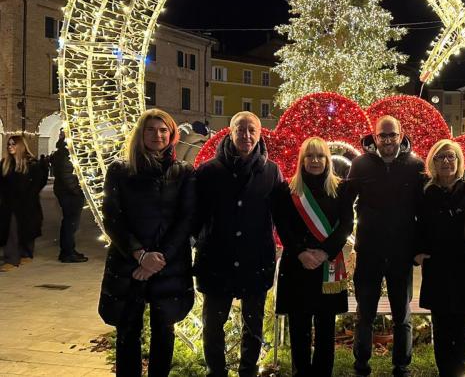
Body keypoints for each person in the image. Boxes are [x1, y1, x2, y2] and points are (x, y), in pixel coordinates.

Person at [98, 109, 196, 377]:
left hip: (169, 264)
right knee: (128, 329)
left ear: (172, 134)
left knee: (164, 330)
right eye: (151, 129)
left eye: (163, 129)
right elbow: (113, 217)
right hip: (129, 261)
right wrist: (140, 254)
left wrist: (158, 257)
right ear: (141, 134)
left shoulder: (183, 172)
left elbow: (186, 219)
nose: (157, 135)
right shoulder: (120, 170)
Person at [193, 111, 284, 377]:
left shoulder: (271, 170)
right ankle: (216, 372)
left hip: (255, 260)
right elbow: (195, 213)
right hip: (217, 260)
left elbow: (280, 214)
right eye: (240, 130)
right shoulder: (209, 170)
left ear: (259, 133)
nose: (246, 135)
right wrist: (200, 240)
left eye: (251, 130)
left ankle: (248, 372)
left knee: (253, 325)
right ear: (230, 133)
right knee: (213, 324)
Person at [347, 116, 425, 377]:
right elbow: (346, 203)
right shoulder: (360, 164)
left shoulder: (415, 165)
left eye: (393, 135)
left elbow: (424, 211)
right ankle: (361, 365)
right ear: (375, 136)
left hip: (401, 254)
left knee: (402, 314)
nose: (388, 140)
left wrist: (419, 247)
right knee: (365, 313)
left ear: (401, 135)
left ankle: (401, 366)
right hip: (369, 251)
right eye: (383, 135)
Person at [272, 137, 353, 377]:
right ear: (302, 160)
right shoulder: (286, 190)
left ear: (327, 159)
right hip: (298, 265)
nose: (315, 161)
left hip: (327, 264)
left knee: (326, 327)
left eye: (320, 156)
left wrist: (323, 251)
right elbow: (283, 226)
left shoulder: (341, 188)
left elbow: (346, 226)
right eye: (310, 156)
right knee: (299, 327)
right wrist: (301, 252)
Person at [414, 139, 465, 377]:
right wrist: (417, 253)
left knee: (464, 329)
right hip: (437, 266)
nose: (446, 161)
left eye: (451, 157)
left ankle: (460, 373)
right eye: (441, 157)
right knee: (441, 329)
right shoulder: (425, 192)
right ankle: (445, 373)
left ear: (459, 161)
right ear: (433, 162)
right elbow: (415, 226)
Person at [0, 134, 48, 271]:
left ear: (20, 146)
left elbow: (39, 181)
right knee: (11, 230)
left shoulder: (31, 164)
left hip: (27, 203)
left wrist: (30, 195)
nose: (10, 147)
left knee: (26, 229)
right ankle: (11, 258)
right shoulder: (6, 164)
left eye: (13, 144)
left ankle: (24, 254)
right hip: (9, 204)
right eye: (8, 144)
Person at [50, 128, 88, 263]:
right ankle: (67, 253)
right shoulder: (67, 152)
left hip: (65, 192)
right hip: (69, 194)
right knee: (70, 223)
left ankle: (69, 250)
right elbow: (67, 175)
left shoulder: (63, 150)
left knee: (69, 222)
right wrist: (77, 190)